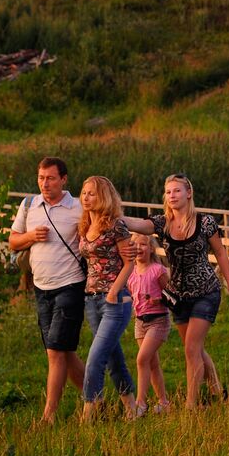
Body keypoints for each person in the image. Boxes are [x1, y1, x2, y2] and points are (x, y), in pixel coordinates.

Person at [121, 174, 229, 409]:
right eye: (168, 192)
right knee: (194, 347)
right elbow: (137, 225)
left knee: (191, 348)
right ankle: (218, 390)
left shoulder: (205, 222)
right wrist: (114, 216)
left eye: (176, 191)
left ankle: (190, 405)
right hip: (179, 297)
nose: (172, 195)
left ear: (189, 193)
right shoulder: (162, 223)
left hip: (206, 291)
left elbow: (221, 252)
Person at [8, 156, 86, 425]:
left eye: (50, 178)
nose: (45, 183)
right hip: (41, 288)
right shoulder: (29, 205)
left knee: (55, 351)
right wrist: (31, 237)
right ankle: (95, 398)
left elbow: (99, 232)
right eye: (41, 178)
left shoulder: (78, 207)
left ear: (64, 179)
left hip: (71, 285)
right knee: (64, 352)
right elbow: (13, 242)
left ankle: (48, 416)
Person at [76, 176, 137, 421]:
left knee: (95, 358)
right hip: (90, 300)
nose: (86, 197)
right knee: (113, 358)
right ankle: (132, 411)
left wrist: (114, 291)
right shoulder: (83, 226)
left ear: (104, 196)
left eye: (92, 193)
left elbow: (129, 262)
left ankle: (88, 415)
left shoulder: (115, 226)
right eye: (84, 193)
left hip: (115, 300)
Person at [126, 233, 172, 416]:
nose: (139, 248)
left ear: (151, 248)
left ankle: (140, 403)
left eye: (143, 244)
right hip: (140, 321)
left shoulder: (158, 270)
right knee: (152, 363)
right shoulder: (130, 272)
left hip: (158, 320)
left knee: (141, 359)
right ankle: (164, 402)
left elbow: (171, 295)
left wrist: (157, 298)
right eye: (134, 245)